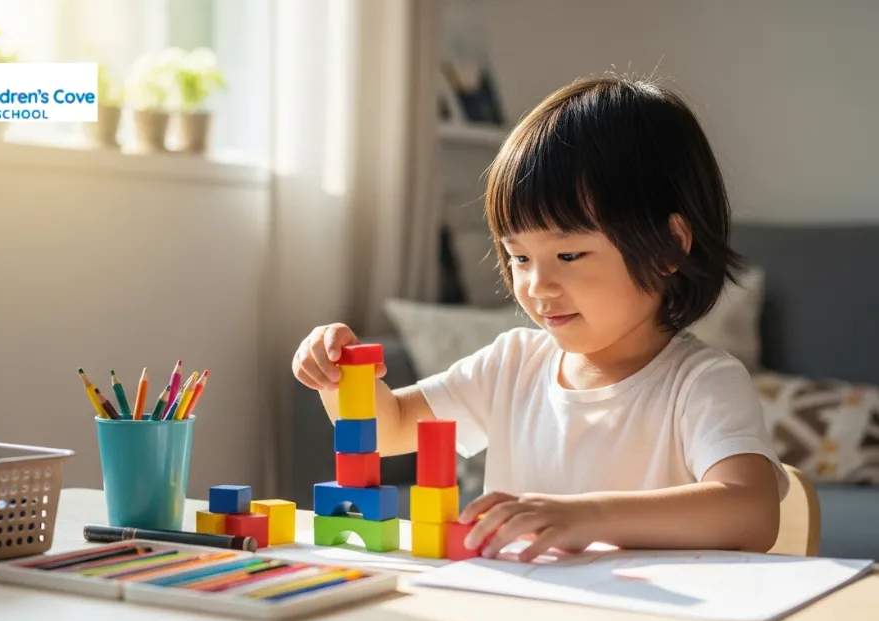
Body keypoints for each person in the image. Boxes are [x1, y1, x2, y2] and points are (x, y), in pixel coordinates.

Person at [292, 75, 788, 562]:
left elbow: (751, 511)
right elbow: (389, 429)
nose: (536, 286)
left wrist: (586, 517)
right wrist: (339, 378)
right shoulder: (512, 364)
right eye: (520, 258)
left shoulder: (701, 383)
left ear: (669, 248)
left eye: (569, 255)